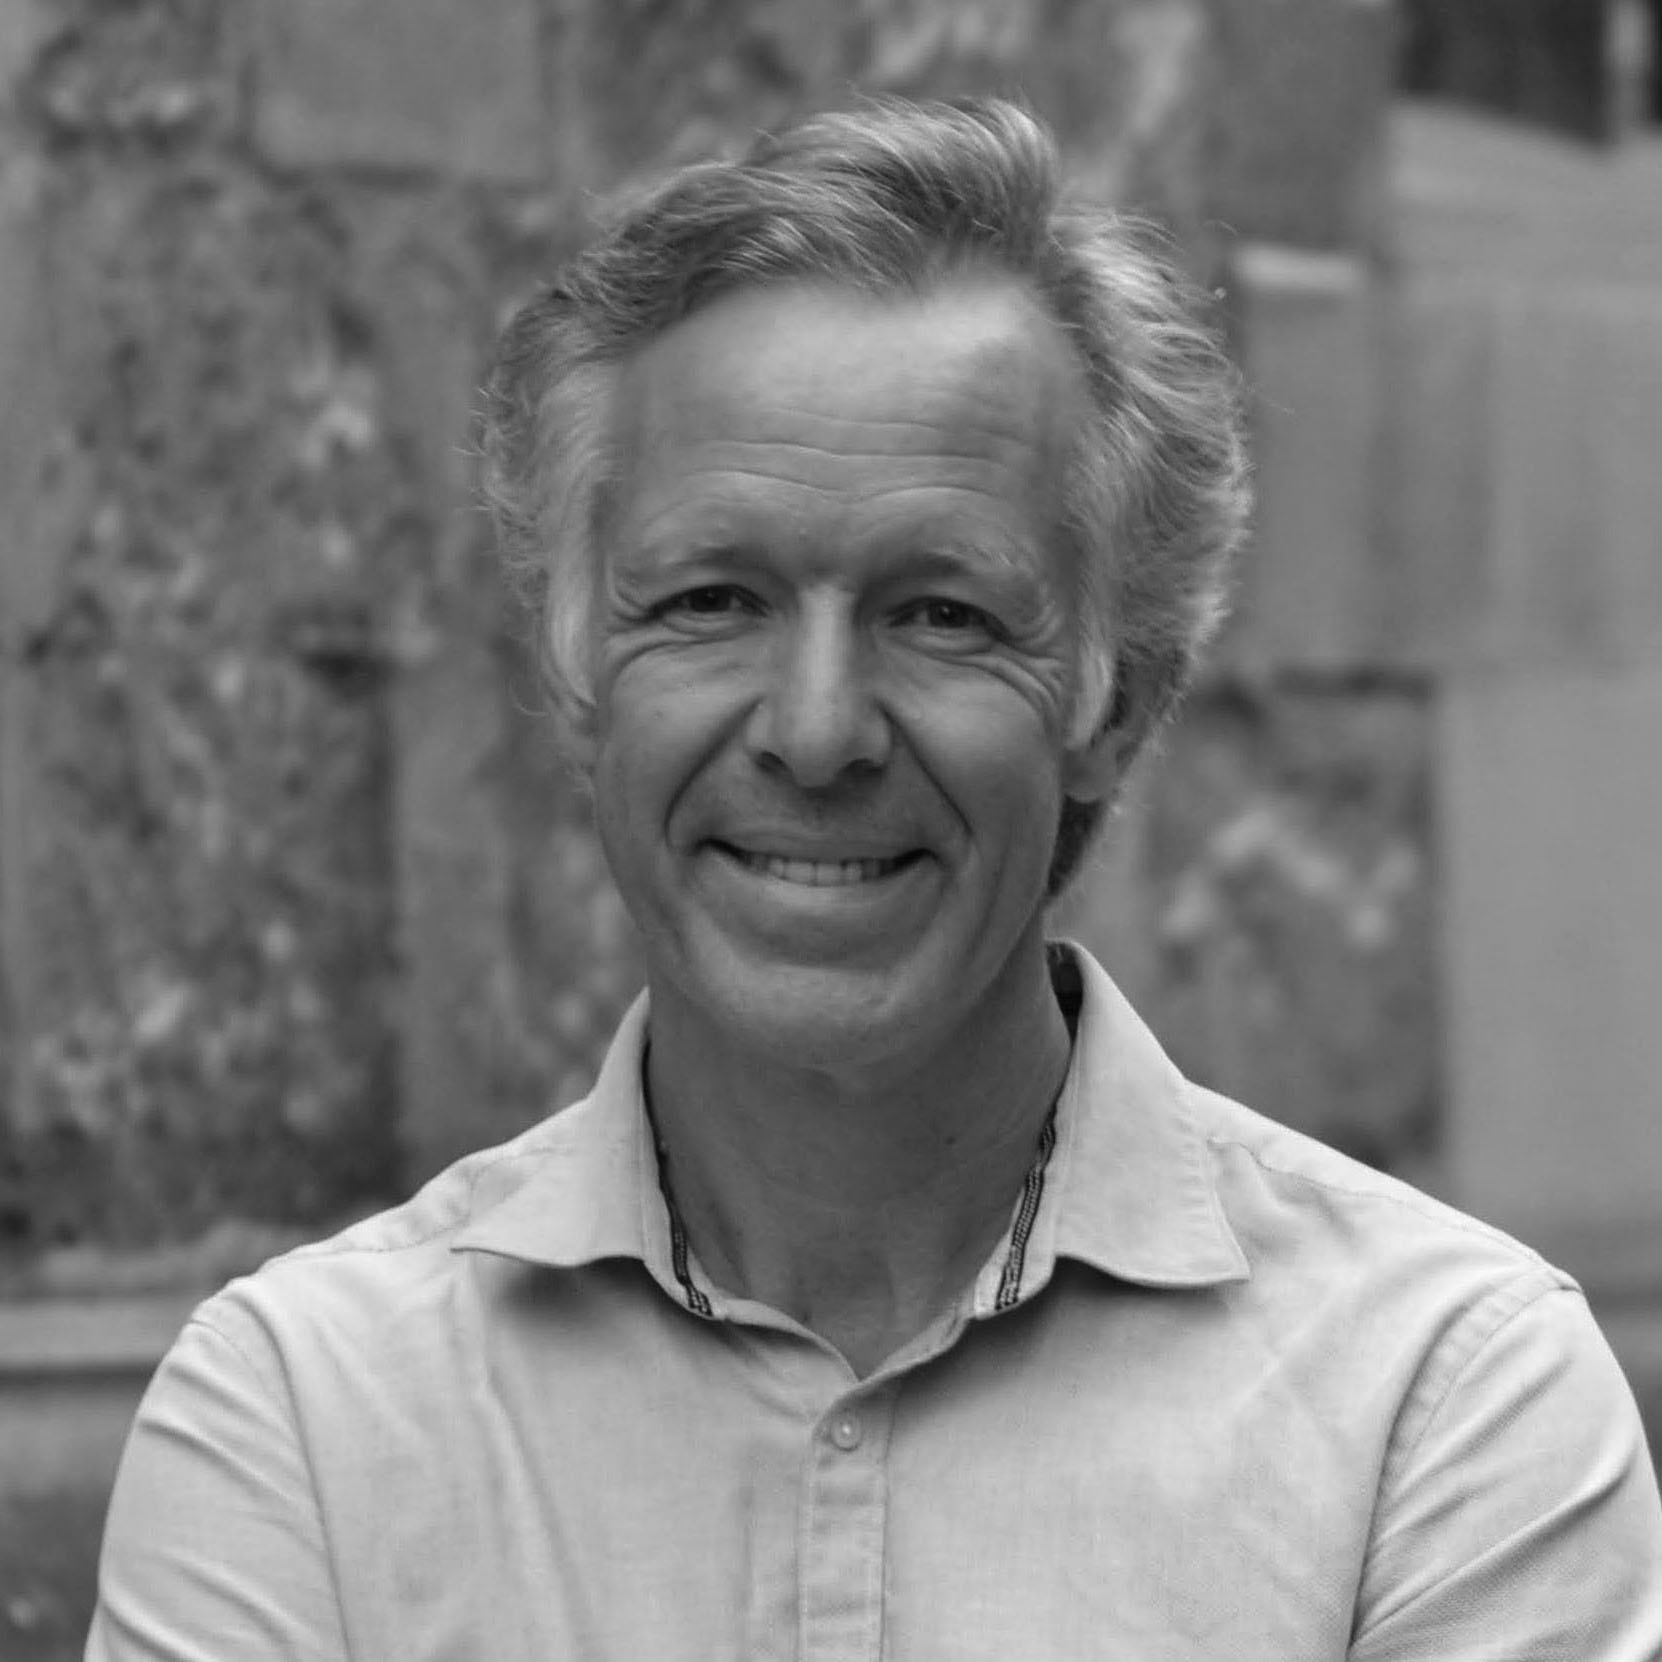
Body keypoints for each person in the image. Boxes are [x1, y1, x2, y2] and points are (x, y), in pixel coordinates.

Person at [87, 97, 1662, 1660]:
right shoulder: (298, 1419)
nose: (818, 729)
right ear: (581, 683)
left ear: (1115, 702)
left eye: (944, 613)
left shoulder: (1440, 1403)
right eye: (711, 598)